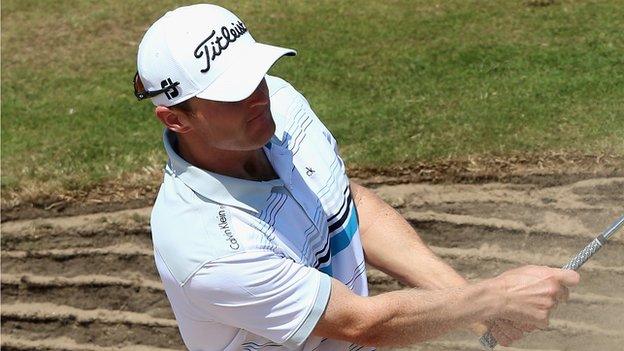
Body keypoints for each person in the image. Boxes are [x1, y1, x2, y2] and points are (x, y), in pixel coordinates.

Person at [134, 4, 580, 351]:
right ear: (175, 119)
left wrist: (470, 304)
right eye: (232, 94)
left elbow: (348, 209)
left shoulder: (282, 109)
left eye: (257, 77)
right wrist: (493, 297)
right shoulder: (206, 245)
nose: (258, 99)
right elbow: (361, 323)